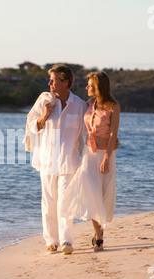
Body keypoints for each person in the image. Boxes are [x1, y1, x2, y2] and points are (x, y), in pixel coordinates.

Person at [24, 64, 87, 255]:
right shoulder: (43, 101)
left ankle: (66, 240)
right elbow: (31, 127)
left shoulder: (80, 105)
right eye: (49, 80)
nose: (49, 83)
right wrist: (44, 116)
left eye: (53, 80)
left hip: (69, 162)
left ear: (65, 82)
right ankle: (51, 241)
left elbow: (88, 131)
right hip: (47, 161)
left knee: (65, 203)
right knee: (48, 202)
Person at [60, 71, 120, 251]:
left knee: (101, 195)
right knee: (91, 193)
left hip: (105, 154)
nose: (86, 87)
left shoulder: (113, 106)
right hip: (88, 154)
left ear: (99, 86)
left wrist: (107, 158)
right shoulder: (88, 104)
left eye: (90, 85)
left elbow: (113, 134)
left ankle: (98, 235)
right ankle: (99, 238)